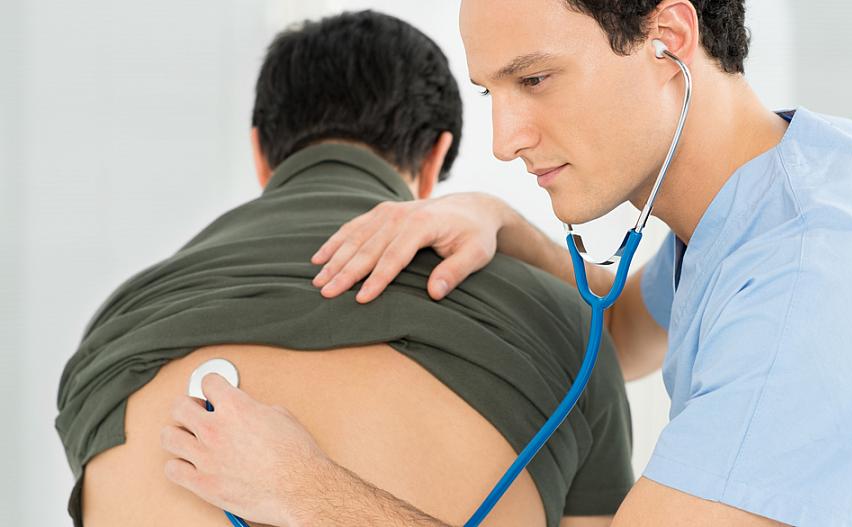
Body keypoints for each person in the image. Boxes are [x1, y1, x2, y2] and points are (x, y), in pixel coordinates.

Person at [160, 0, 852, 526]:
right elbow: (625, 334)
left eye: (535, 79)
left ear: (669, 38)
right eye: (490, 91)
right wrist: (501, 222)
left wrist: (301, 489)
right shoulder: (779, 185)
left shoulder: (816, 276)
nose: (505, 138)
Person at [55, 10, 636, 527]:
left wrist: (309, 493)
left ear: (261, 154)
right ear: (434, 157)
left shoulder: (114, 332)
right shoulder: (567, 324)